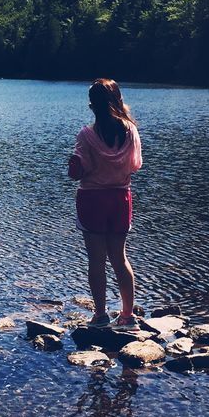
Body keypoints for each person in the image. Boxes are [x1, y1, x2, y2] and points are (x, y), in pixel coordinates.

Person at [67, 78, 143, 328]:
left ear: (92, 106)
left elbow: (76, 173)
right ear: (118, 100)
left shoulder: (86, 135)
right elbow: (135, 165)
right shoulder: (130, 130)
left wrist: (75, 163)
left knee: (96, 260)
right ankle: (127, 315)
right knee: (120, 258)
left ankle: (100, 315)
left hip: (92, 200)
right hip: (120, 199)